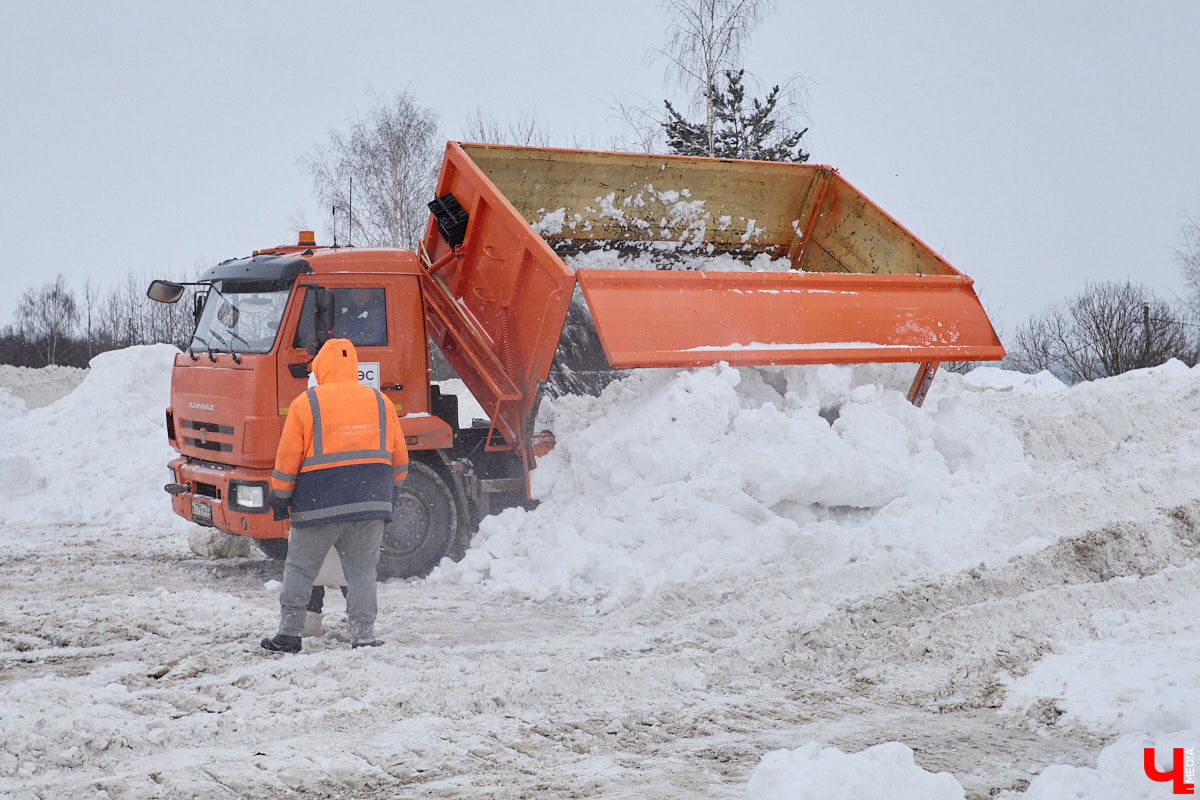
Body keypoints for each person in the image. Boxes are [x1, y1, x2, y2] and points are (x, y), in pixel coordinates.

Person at [261, 337, 408, 653]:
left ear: (320, 368)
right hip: (370, 503)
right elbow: (400, 461)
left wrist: (280, 496)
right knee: (361, 572)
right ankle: (363, 636)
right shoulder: (381, 401)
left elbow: (288, 460)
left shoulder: (306, 403)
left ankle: (289, 634)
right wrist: (389, 489)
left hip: (318, 503)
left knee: (300, 569)